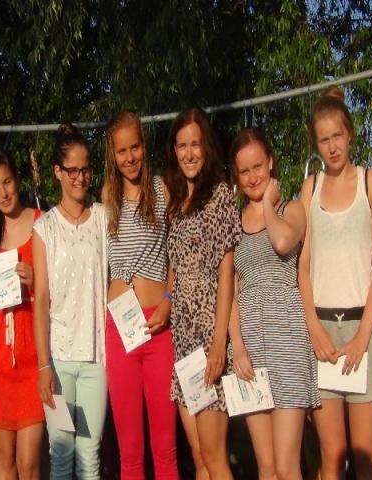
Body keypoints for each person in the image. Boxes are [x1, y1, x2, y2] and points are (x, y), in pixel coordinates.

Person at [298, 86, 372, 480]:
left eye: (337, 136)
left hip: (362, 330)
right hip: (322, 334)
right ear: (316, 144)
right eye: (324, 139)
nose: (332, 146)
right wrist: (314, 327)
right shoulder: (310, 187)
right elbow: (303, 266)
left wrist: (363, 335)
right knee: (332, 455)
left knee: (366, 454)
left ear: (349, 133)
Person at [228, 128, 320, 480]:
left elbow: (282, 243)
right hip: (250, 347)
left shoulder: (291, 209)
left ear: (270, 163)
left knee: (286, 465)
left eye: (258, 167)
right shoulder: (233, 224)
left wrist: (267, 203)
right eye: (244, 171)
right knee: (265, 466)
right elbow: (232, 290)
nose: (253, 177)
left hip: (288, 342)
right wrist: (237, 346)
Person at [163, 107, 241, 479]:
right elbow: (175, 270)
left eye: (195, 144)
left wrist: (219, 342)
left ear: (206, 147)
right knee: (199, 457)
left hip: (209, 339)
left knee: (214, 455)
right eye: (182, 146)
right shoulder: (176, 205)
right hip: (183, 344)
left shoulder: (219, 195)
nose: (189, 153)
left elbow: (227, 272)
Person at [102, 111, 178, 480]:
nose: (129, 157)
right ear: (112, 155)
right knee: (130, 453)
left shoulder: (164, 190)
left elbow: (177, 256)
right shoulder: (107, 197)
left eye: (135, 147)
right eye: (122, 151)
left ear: (144, 146)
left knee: (165, 450)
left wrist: (168, 301)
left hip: (158, 326)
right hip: (120, 330)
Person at [33, 123, 108, 480]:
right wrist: (44, 366)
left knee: (89, 458)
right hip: (59, 363)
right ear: (58, 172)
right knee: (61, 456)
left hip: (96, 361)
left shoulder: (104, 218)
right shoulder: (44, 229)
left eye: (86, 169)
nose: (80, 177)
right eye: (73, 170)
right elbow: (41, 300)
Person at [0, 150, 45, 479]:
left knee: (29, 463)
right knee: (4, 462)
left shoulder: (43, 222)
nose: (2, 193)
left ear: (17, 180)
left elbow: (62, 290)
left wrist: (37, 281)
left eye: (7, 182)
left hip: (34, 361)